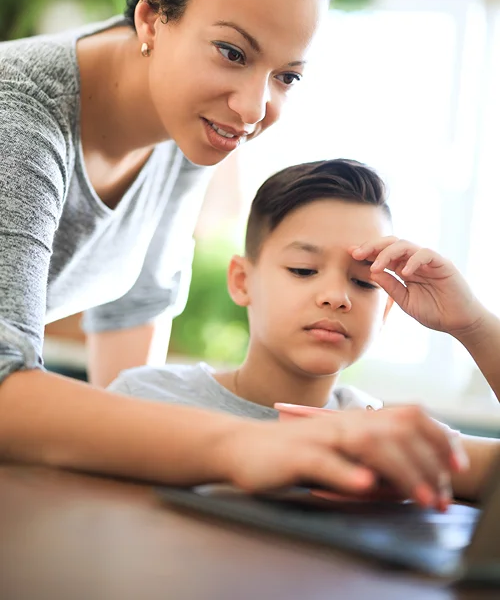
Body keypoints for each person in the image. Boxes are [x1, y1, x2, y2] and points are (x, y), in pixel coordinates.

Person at [0, 0, 462, 497]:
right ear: (152, 15)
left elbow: (133, 322)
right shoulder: (19, 113)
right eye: (231, 51)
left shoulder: (187, 126)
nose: (253, 107)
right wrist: (255, 443)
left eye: (286, 76)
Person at [110, 159, 500, 505]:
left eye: (364, 282)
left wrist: (474, 324)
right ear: (242, 281)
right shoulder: (147, 399)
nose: (336, 297)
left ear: (387, 309)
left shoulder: (392, 440)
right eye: (303, 270)